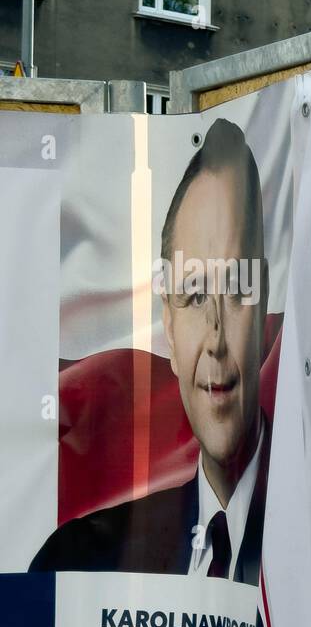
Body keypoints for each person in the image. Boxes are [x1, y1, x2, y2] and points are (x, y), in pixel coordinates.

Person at [31, 118, 270, 588]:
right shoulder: (81, 563)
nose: (216, 339)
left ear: (263, 311)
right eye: (195, 295)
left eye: (236, 290)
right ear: (170, 327)